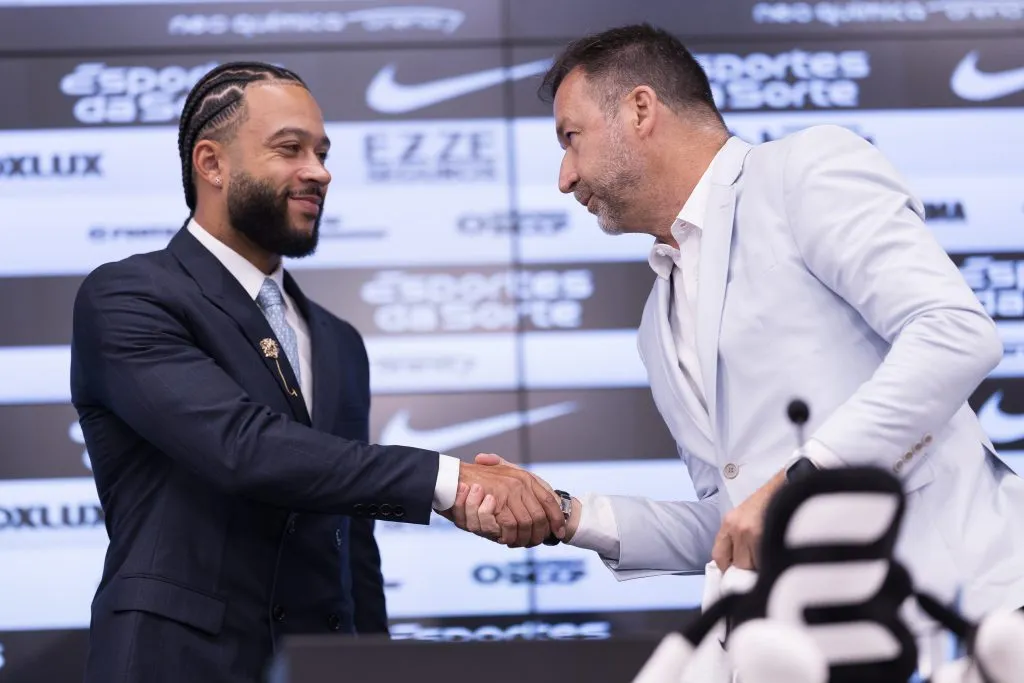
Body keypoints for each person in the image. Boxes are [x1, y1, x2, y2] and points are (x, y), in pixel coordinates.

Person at [461, 24, 1024, 622]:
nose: (565, 177)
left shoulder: (802, 169)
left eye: (571, 138)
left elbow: (954, 333)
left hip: (975, 608)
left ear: (641, 109)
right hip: (831, 637)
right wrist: (568, 516)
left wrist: (798, 482)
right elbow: (734, 517)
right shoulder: (657, 321)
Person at [69, 61, 564, 683]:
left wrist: (373, 664)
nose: (319, 172)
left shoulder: (338, 340)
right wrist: (447, 479)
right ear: (211, 163)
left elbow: (352, 539)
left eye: (323, 153)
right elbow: (242, 447)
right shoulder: (129, 296)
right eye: (290, 149)